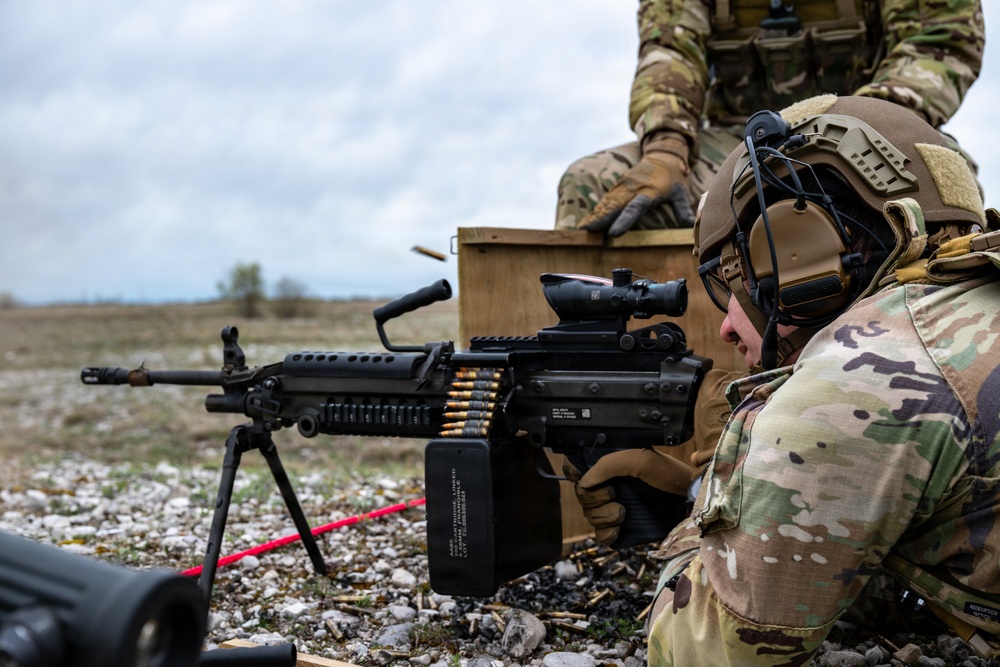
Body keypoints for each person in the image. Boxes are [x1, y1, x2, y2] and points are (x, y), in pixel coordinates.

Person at [554, 0, 984, 237]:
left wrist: (845, 128)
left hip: (870, 131)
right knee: (593, 183)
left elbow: (936, 45)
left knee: (946, 192)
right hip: (736, 143)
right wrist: (667, 150)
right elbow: (671, 51)